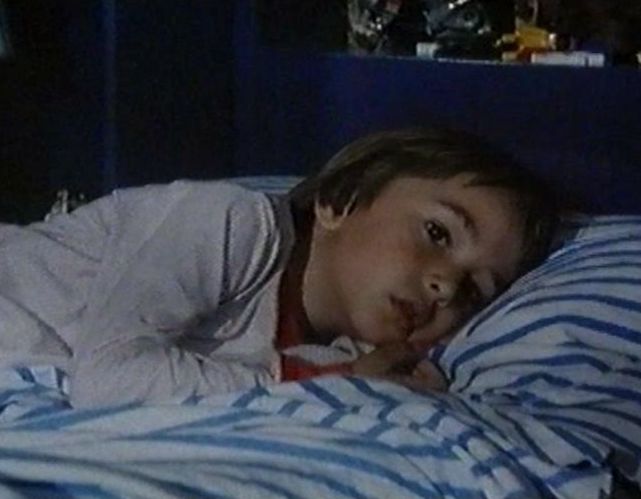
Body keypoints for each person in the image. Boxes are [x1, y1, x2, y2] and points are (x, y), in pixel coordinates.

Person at [0, 128, 557, 408]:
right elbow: (110, 379)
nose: (445, 285)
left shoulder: (344, 357)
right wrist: (321, 382)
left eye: (475, 290)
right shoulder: (232, 223)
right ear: (339, 201)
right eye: (437, 233)